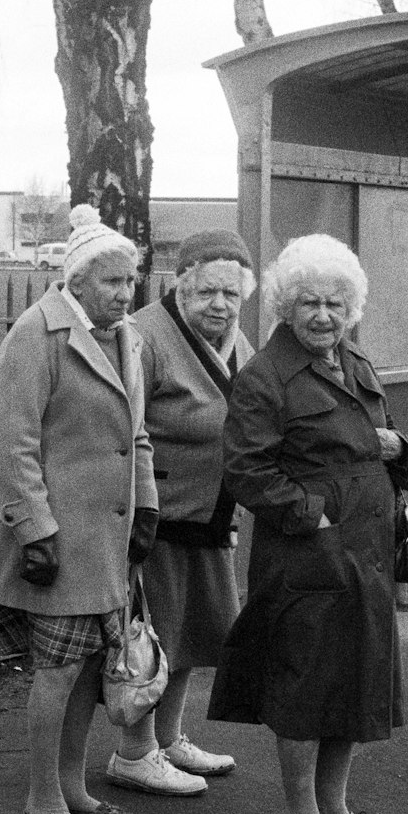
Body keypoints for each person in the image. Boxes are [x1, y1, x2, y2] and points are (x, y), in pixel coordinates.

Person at [0, 203, 207, 814]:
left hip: (107, 542)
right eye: (112, 281)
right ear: (76, 282)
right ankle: (42, 801)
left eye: (130, 280)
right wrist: (35, 533)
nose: (125, 292)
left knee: (85, 669)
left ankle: (75, 789)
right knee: (55, 670)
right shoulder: (37, 334)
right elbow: (12, 445)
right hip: (57, 541)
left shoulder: (124, 337)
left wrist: (148, 504)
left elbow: (135, 433)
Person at [209, 233, 408, 814]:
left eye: (334, 303)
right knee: (303, 685)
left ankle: (336, 809)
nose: (322, 315)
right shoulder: (265, 378)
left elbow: (371, 443)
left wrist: (399, 451)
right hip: (308, 557)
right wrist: (313, 514)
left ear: (350, 306)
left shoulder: (354, 362)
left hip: (368, 553)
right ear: (283, 307)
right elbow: (246, 471)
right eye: (308, 303)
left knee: (354, 678)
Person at [119, 229, 257, 784]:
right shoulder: (145, 336)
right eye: (206, 293)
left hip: (212, 514)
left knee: (193, 634)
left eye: (230, 293)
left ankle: (169, 740)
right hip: (160, 516)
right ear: (180, 288)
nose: (219, 305)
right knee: (154, 636)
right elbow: (123, 428)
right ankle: (133, 753)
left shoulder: (236, 342)